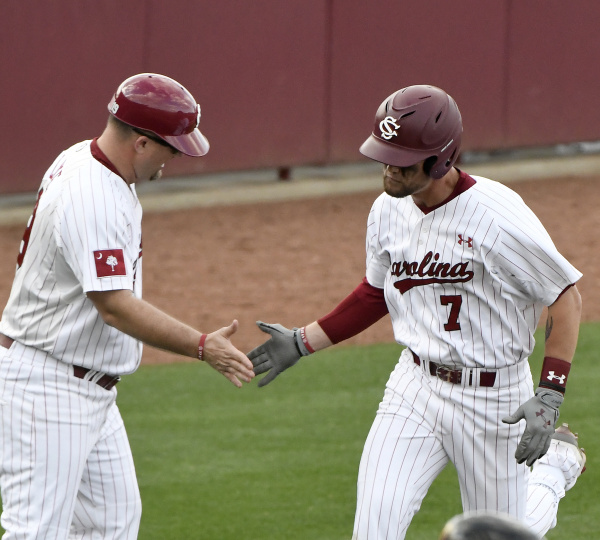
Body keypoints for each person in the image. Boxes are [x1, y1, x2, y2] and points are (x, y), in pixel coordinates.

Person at [248, 85, 584, 539]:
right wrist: (303, 340)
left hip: (495, 399)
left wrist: (549, 395)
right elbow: (375, 292)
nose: (387, 167)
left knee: (504, 531)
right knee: (373, 531)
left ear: (441, 160)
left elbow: (565, 297)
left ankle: (552, 474)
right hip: (414, 388)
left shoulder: (497, 217)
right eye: (383, 153)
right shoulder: (387, 209)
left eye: (401, 159)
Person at [0, 73, 255, 539]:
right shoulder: (91, 194)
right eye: (171, 148)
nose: (176, 158)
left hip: (89, 387)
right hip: (48, 385)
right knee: (34, 532)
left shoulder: (88, 159)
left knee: (110, 524)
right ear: (140, 143)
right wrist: (202, 346)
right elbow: (115, 306)